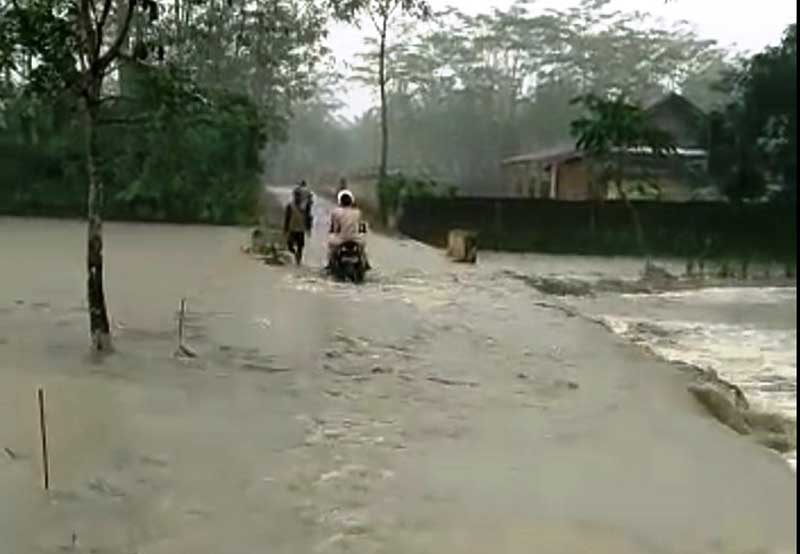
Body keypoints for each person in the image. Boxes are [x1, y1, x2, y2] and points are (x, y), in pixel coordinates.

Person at [327, 189, 370, 271]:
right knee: (362, 249)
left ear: (340, 201)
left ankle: (331, 263)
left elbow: (335, 228)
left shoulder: (336, 212)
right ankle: (366, 263)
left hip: (341, 239)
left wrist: (332, 231)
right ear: (351, 201)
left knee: (331, 247)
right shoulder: (358, 212)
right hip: (356, 239)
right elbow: (361, 226)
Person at [283, 188, 309, 265]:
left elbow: (308, 217)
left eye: (299, 195)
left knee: (300, 246)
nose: (297, 197)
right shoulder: (290, 206)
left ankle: (298, 261)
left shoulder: (304, 207)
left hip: (301, 229)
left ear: (301, 197)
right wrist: (285, 229)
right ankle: (294, 253)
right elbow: (287, 218)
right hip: (292, 228)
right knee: (289, 245)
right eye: (296, 195)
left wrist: (308, 228)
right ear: (294, 196)